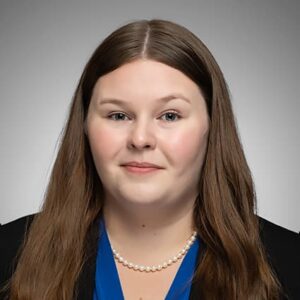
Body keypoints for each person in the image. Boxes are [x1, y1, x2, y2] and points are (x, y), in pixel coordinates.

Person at [0, 18, 299, 300]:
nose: (140, 139)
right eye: (118, 115)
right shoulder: (8, 252)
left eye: (169, 115)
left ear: (212, 127)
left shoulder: (290, 263)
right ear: (85, 127)